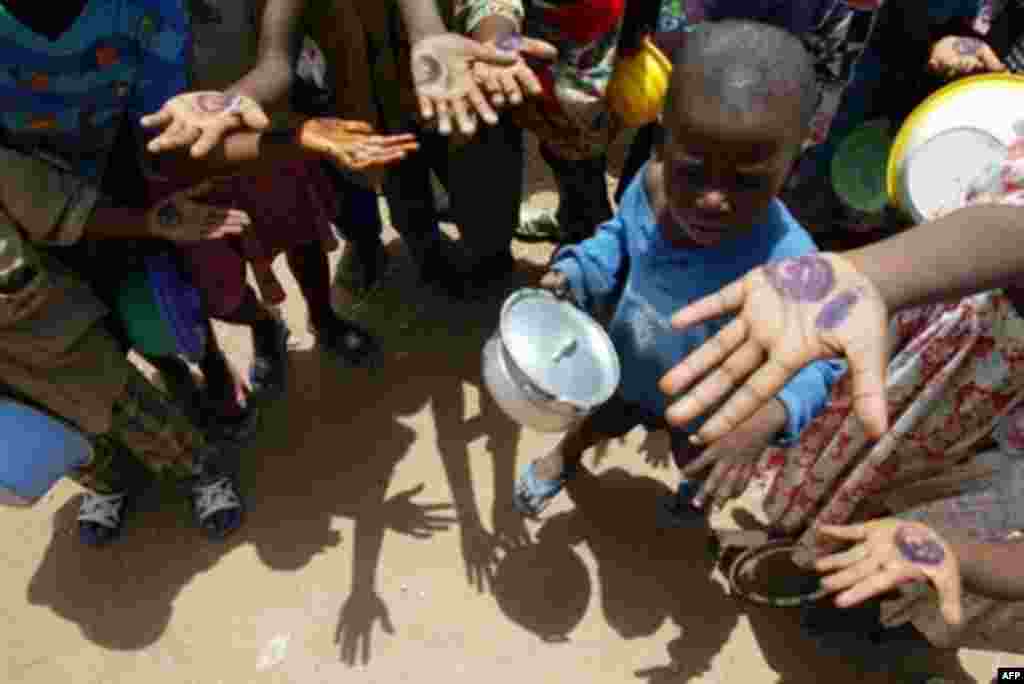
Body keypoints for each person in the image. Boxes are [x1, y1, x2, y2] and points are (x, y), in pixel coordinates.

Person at [512, 21, 845, 518]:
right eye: (691, 169)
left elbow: (825, 358)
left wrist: (763, 421)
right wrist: (577, 273)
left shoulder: (793, 261)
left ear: (793, 162)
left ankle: (693, 494)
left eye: (748, 182)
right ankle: (563, 458)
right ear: (663, 138)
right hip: (628, 367)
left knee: (700, 460)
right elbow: (620, 240)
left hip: (712, 406)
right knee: (594, 424)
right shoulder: (651, 188)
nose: (713, 199)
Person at [0, 0, 252, 544]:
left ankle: (199, 435)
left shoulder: (139, 10)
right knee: (51, 426)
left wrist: (152, 214)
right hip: (16, 349)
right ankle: (106, 479)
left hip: (109, 186)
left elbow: (61, 201)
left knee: (148, 319)